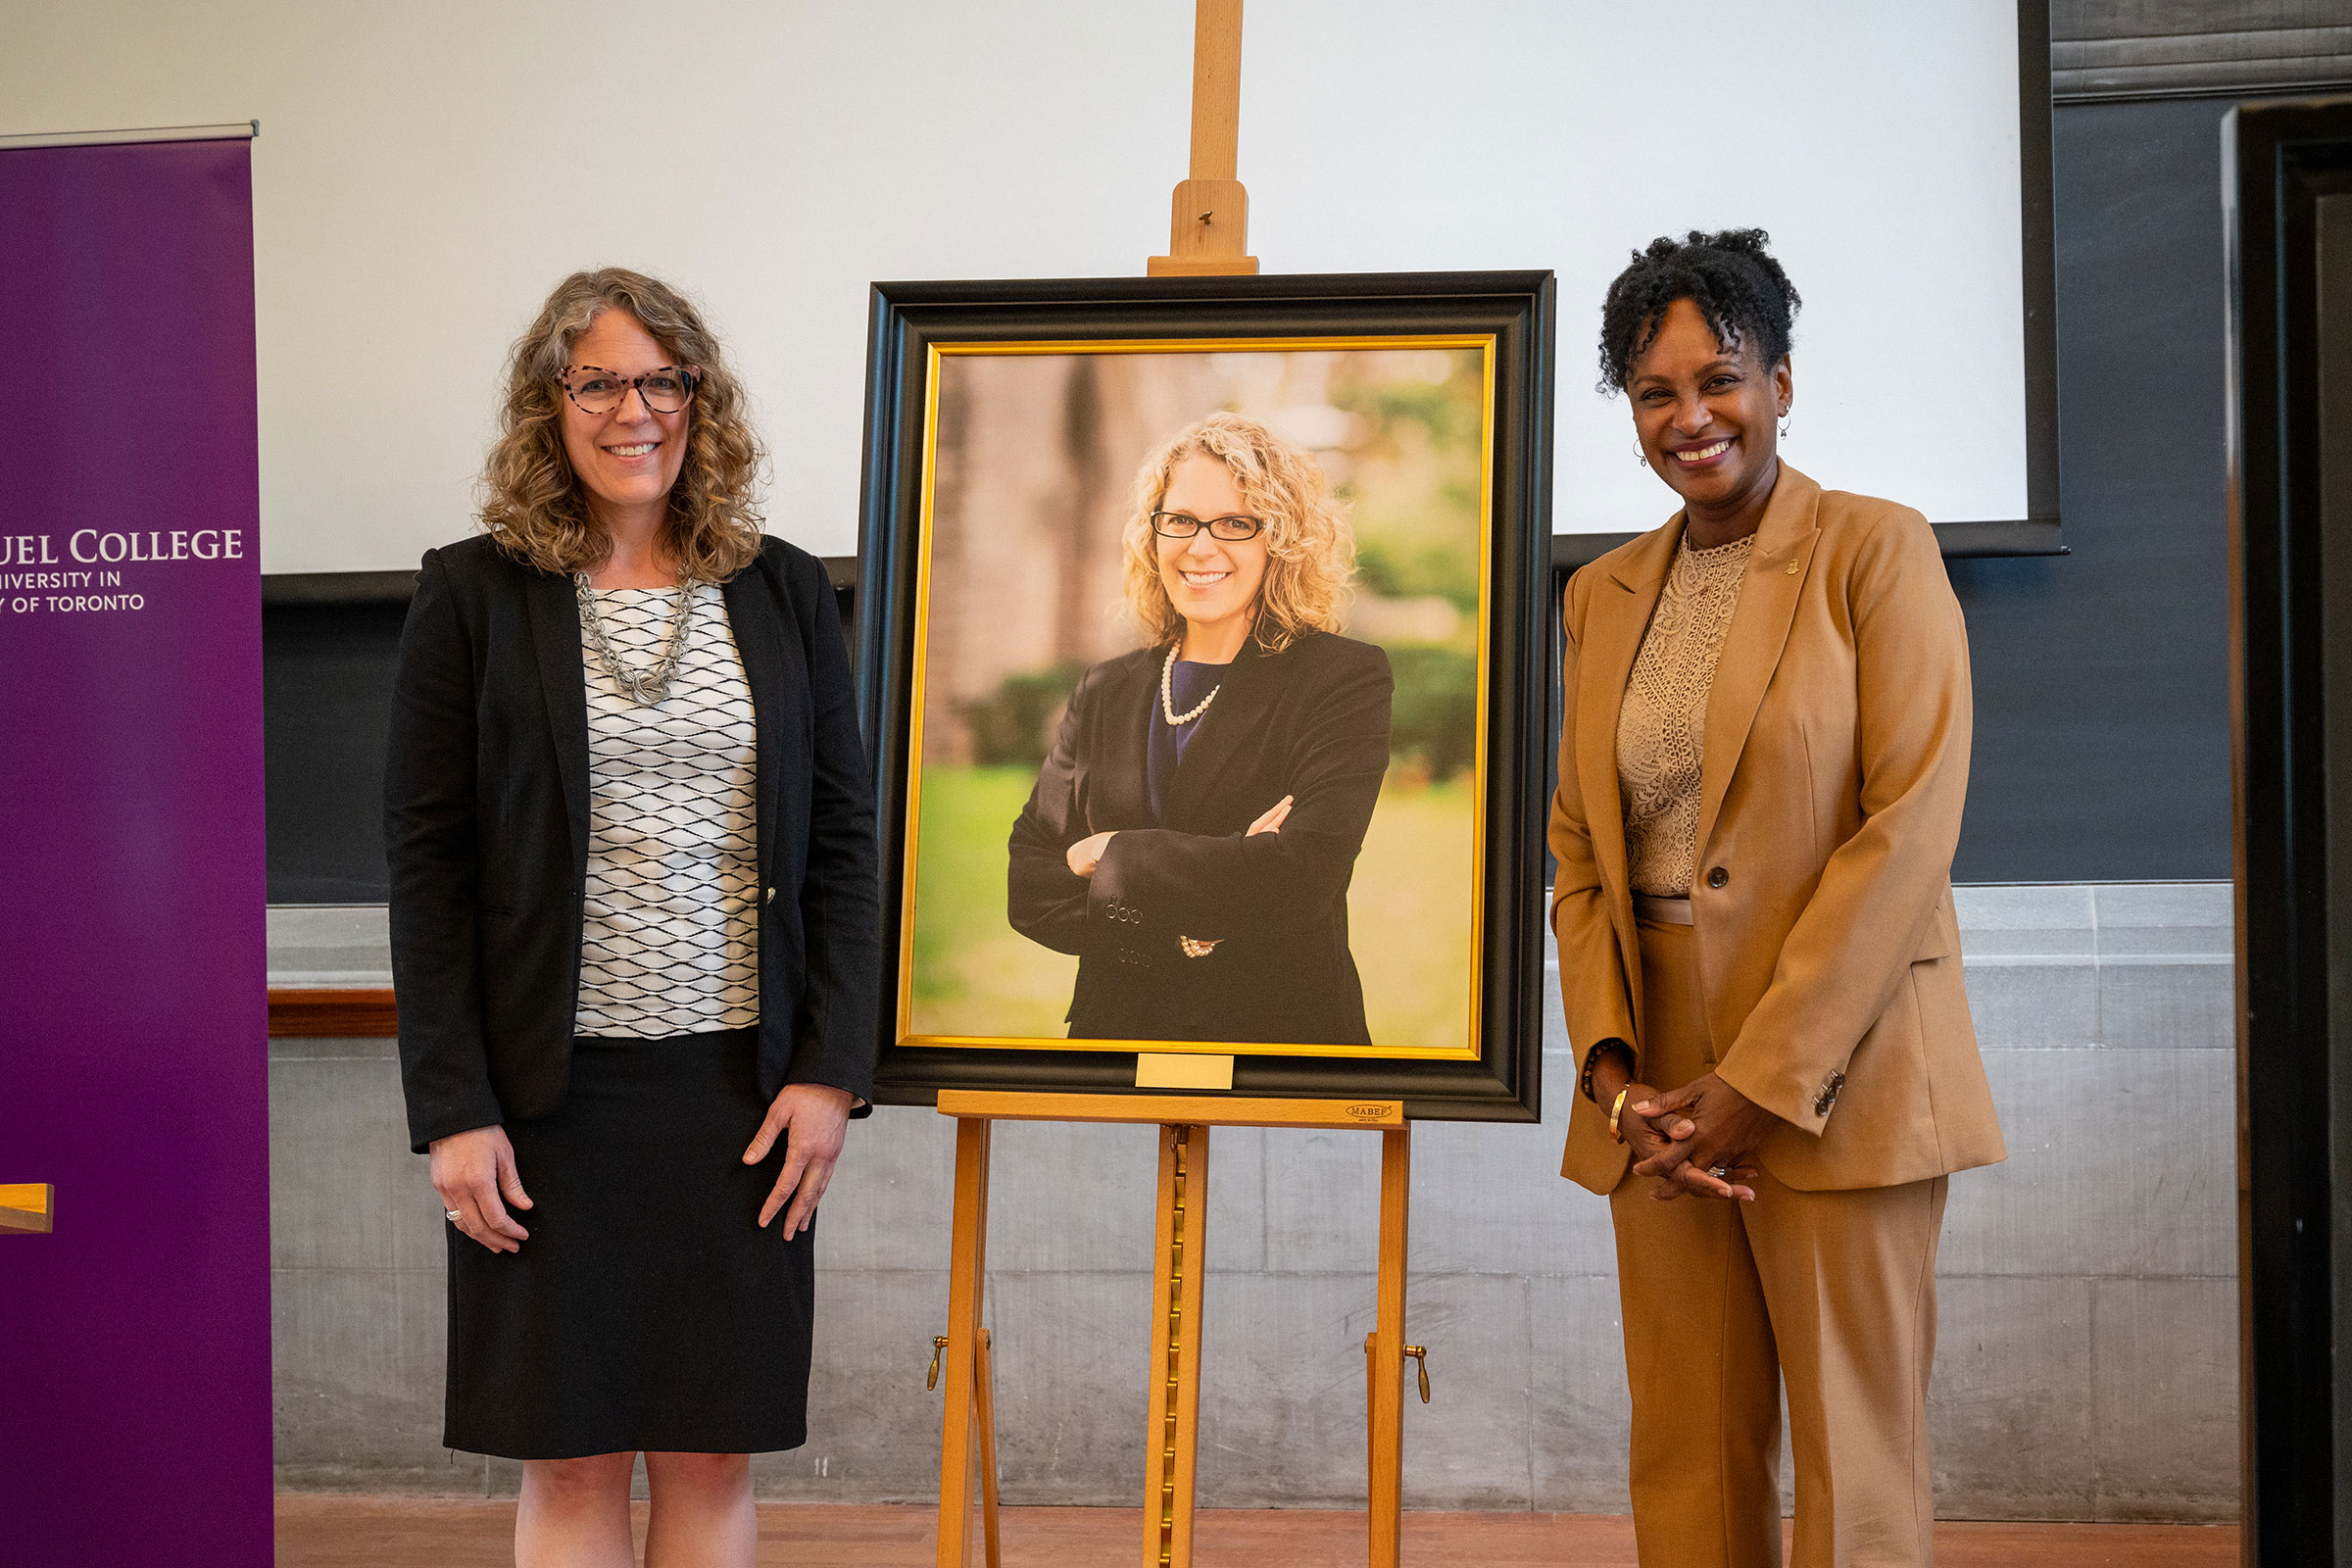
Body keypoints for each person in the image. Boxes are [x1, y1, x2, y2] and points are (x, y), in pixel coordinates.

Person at [385, 268, 878, 1568]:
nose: (631, 409)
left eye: (660, 378)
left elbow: (843, 847)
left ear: (699, 400)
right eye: (596, 380)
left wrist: (831, 1070)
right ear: (549, 406)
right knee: (572, 1453)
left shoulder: (779, 593)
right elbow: (427, 869)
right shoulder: (472, 595)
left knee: (712, 1450)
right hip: (547, 1103)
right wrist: (453, 1107)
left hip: (739, 1098)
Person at [1549, 230, 2004, 1567]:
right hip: (1659, 1088)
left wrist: (1763, 1077)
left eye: (1721, 379)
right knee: (1687, 1450)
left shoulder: (1877, 551)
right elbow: (1582, 854)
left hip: (1839, 1063)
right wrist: (1619, 1078)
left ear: (1783, 382)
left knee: (1856, 1467)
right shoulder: (1600, 597)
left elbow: (1906, 832)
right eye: (1653, 392)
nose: (1691, 419)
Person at [1006, 412, 1394, 1047]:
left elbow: (1301, 874)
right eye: (1180, 520)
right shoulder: (1106, 689)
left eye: (1235, 524)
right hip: (1118, 1056)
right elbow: (1031, 889)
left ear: (1282, 539)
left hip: (1279, 1059)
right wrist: (1223, 883)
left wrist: (1105, 855)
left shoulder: (1341, 678)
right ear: (1152, 533)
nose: (1200, 546)